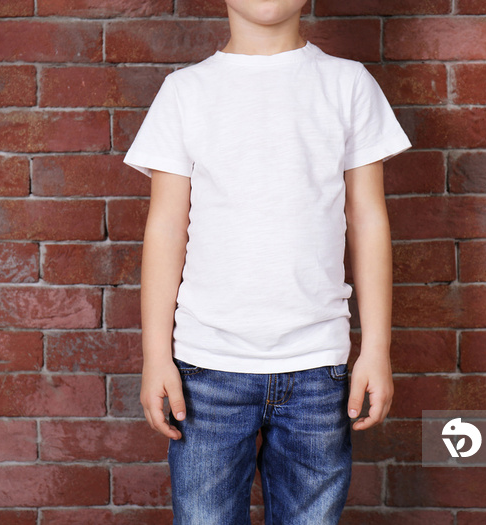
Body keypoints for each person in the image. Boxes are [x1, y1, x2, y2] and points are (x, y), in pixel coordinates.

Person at [123, 1, 411, 523]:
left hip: (318, 368)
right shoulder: (185, 92)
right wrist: (154, 355)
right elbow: (164, 231)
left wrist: (376, 347)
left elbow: (369, 222)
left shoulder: (347, 84)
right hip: (205, 370)